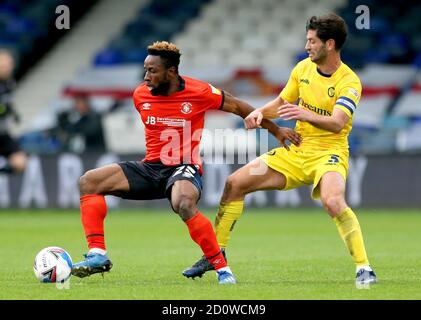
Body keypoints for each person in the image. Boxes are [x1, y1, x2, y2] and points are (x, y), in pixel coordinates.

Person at [71, 41, 301, 284]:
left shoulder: (199, 92)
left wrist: (275, 130)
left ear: (171, 72)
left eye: (152, 70)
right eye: (145, 70)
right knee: (89, 182)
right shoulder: (140, 94)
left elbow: (238, 106)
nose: (146, 76)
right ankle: (97, 254)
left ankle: (223, 269)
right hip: (151, 167)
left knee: (183, 203)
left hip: (184, 166)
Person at [183, 13, 377, 289]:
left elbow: (337, 123)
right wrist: (260, 113)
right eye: (307, 40)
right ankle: (215, 254)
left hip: (329, 154)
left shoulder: (349, 81)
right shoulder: (302, 69)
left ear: (330, 44)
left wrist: (304, 113)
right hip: (296, 150)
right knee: (234, 183)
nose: (307, 45)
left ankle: (363, 267)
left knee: (333, 201)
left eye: (312, 41)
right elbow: (281, 103)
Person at [0, 50, 27, 174]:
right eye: (5, 65)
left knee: (20, 162)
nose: (9, 68)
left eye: (10, 64)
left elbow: (8, 103)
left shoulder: (10, 82)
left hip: (3, 134)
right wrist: (3, 110)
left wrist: (13, 113)